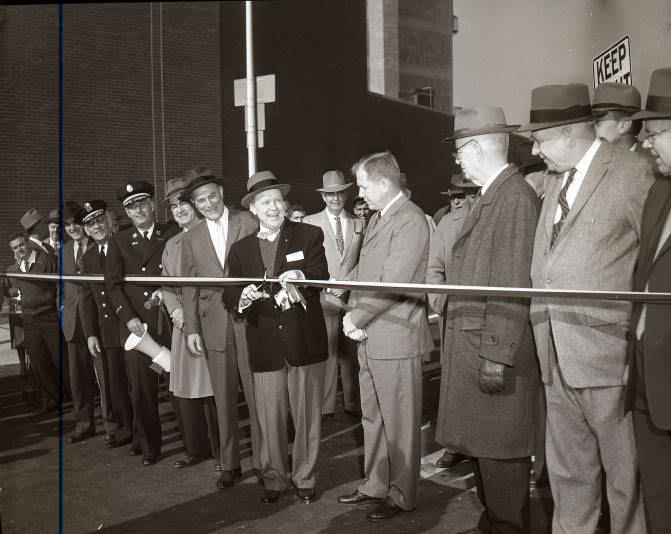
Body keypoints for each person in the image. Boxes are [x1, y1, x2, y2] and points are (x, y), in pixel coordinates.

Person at [521, 82, 654, 534]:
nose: (536, 151)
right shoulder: (555, 181)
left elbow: (653, 262)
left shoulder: (634, 172)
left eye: (539, 140)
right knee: (568, 477)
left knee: (626, 482)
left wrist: (639, 347)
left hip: (609, 359)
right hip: (555, 353)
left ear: (566, 133)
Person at [434, 107, 542, 533]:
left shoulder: (512, 199)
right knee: (487, 453)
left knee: (501, 455)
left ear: (476, 147)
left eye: (460, 153)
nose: (458, 162)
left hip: (491, 352)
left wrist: (497, 353)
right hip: (479, 348)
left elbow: (512, 282)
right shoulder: (496, 196)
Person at [223, 170, 329, 505]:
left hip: (303, 340)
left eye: (277, 200)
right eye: (264, 202)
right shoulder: (240, 250)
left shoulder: (309, 235)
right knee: (269, 418)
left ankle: (306, 477)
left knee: (306, 416)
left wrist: (298, 277)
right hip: (265, 343)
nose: (273, 207)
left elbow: (319, 275)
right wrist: (242, 298)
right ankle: (274, 478)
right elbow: (229, 294)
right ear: (252, 209)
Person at [338, 151, 431, 522]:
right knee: (373, 416)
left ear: (382, 183)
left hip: (395, 335)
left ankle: (402, 493)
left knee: (400, 420)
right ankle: (376, 484)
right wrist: (340, 292)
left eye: (362, 186)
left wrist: (355, 316)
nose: (360, 194)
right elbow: (367, 271)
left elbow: (394, 280)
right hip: (370, 333)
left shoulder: (410, 220)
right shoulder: (380, 217)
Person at [180, 166, 262, 488]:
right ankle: (230, 463)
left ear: (222, 194)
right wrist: (192, 329)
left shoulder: (248, 222)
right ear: (195, 205)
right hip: (213, 323)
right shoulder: (191, 237)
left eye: (212, 196)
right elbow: (189, 286)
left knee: (257, 393)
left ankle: (264, 459)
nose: (208, 204)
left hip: (250, 319)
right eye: (201, 201)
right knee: (224, 398)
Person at [626, 67, 671, 533]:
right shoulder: (658, 192)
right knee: (658, 498)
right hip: (646, 381)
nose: (646, 142)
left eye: (655, 132)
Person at [105, 181, 178, 466]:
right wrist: (129, 317)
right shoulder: (120, 240)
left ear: (152, 204)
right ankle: (150, 446)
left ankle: (196, 443)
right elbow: (113, 286)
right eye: (131, 206)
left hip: (168, 322)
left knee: (179, 383)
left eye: (142, 203)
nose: (138, 210)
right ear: (126, 212)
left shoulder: (170, 232)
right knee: (143, 390)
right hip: (138, 327)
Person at [161, 177, 220, 469]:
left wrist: (190, 313)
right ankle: (195, 448)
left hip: (206, 320)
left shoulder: (209, 234)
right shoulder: (171, 244)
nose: (180, 210)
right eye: (174, 207)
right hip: (182, 324)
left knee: (212, 387)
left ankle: (221, 448)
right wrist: (177, 312)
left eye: (184, 203)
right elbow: (167, 286)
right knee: (185, 389)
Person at [303, 170, 364, 417]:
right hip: (323, 296)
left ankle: (353, 404)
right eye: (330, 194)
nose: (335, 198)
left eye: (339, 193)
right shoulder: (308, 222)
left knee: (350, 353)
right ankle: (326, 407)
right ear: (323, 197)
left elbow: (364, 259)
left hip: (350, 298)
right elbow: (306, 261)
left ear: (346, 194)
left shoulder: (360, 223)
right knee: (326, 353)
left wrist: (348, 282)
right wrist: (325, 282)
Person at [79, 200, 135, 451]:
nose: (97, 226)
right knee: (116, 381)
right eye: (91, 224)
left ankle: (143, 427)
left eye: (99, 220)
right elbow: (88, 297)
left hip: (130, 323)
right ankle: (125, 427)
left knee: (138, 379)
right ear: (87, 230)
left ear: (108, 221)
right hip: (107, 329)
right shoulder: (88, 257)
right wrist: (91, 333)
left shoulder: (123, 244)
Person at [7, 231, 60, 413]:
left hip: (50, 317)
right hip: (30, 320)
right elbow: (14, 294)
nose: (19, 249)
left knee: (59, 359)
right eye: (15, 248)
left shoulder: (46, 261)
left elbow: (58, 288)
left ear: (28, 243)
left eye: (21, 245)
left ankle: (72, 395)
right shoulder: (14, 270)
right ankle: (51, 400)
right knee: (39, 361)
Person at [61, 201, 97, 444]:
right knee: (78, 377)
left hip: (97, 320)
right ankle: (84, 424)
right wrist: (62, 309)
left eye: (76, 223)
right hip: (73, 322)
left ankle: (116, 424)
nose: (72, 228)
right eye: (67, 225)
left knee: (105, 376)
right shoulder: (63, 250)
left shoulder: (98, 244)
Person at [592, 82, 643, 152]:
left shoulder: (654, 160)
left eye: (598, 121)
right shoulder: (591, 158)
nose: (592, 127)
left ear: (624, 125)